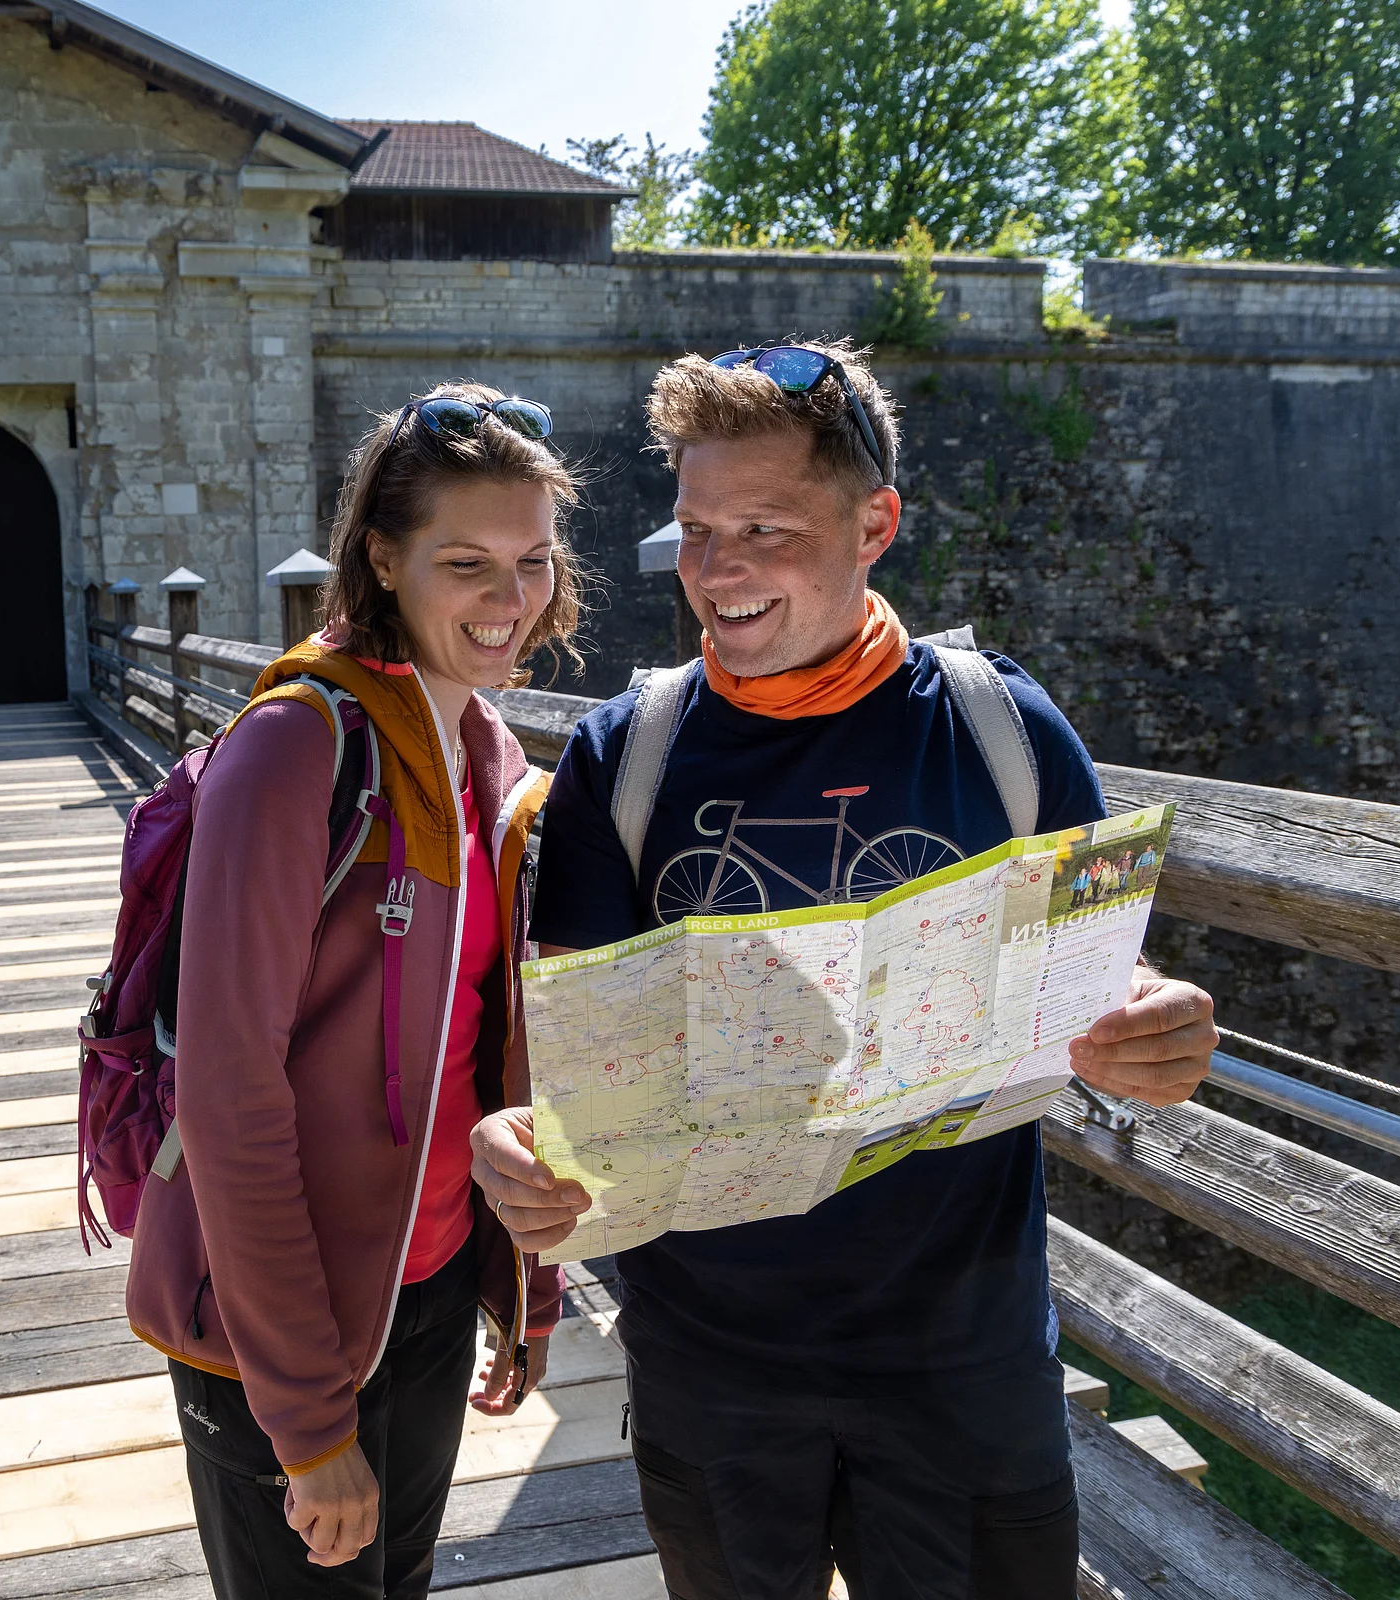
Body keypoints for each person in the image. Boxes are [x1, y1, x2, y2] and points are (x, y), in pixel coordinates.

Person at [471, 344, 1219, 1599]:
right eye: (698, 527)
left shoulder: (1005, 730)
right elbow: (576, 1056)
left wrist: (1158, 1031)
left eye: (765, 525)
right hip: (710, 1359)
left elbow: (1111, 982)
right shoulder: (625, 755)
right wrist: (523, 1141)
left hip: (963, 1359)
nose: (715, 570)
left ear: (876, 523)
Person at [128, 384, 576, 1599]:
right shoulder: (295, 746)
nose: (510, 600)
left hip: (423, 1291)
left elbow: (484, 1051)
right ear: (383, 557)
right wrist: (308, 1421)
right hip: (282, 1325)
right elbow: (227, 1097)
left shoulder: (490, 758)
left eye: (533, 561)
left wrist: (517, 1290)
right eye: (468, 562)